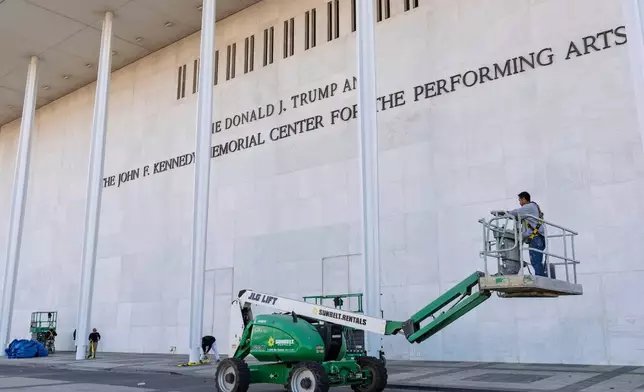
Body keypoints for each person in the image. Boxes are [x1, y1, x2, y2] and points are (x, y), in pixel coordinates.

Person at [503, 191, 547, 277]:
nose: (520, 203)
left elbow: (517, 212)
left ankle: (541, 278)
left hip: (536, 238)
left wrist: (505, 213)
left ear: (524, 199)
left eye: (520, 200)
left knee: (535, 261)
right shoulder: (533, 208)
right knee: (536, 260)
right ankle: (542, 276)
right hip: (537, 238)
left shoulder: (529, 207)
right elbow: (518, 216)